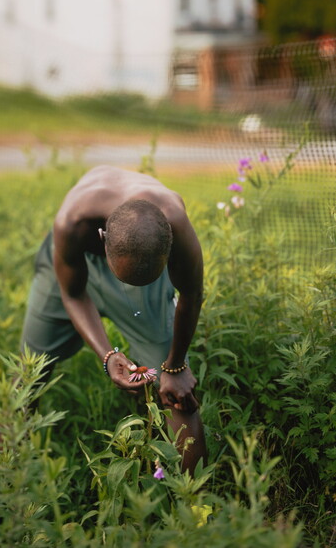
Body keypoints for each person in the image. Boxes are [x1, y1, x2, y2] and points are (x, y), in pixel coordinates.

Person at [21, 165, 206, 472]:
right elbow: (73, 294)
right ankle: (8, 477)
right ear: (102, 237)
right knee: (29, 367)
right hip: (72, 264)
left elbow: (191, 294)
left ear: (168, 245)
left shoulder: (174, 220)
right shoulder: (72, 222)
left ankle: (195, 507)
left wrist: (175, 364)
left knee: (176, 392)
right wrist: (107, 355)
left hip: (140, 255)